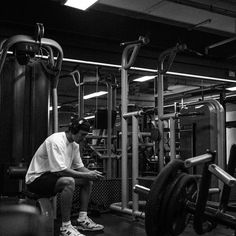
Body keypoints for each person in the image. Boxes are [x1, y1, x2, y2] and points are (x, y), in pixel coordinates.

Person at [25, 117, 104, 236]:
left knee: (87, 181)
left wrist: (93, 174)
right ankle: (66, 226)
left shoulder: (74, 145)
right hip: (36, 179)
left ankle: (82, 218)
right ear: (73, 130)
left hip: (52, 177)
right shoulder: (56, 141)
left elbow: (79, 167)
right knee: (69, 181)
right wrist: (87, 174)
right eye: (82, 134)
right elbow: (61, 171)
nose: (83, 138)